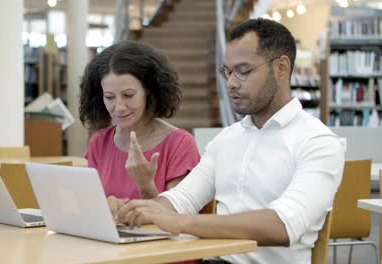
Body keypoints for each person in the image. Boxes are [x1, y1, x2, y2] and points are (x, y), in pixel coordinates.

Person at [116, 18, 345, 264]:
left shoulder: (319, 142)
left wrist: (180, 222)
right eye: (227, 72)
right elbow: (181, 199)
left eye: (244, 71)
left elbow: (284, 225)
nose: (232, 83)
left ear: (281, 68)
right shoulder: (226, 139)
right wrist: (133, 211)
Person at [79, 41, 201, 200]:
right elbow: (92, 204)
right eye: (109, 97)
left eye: (128, 95)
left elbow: (178, 217)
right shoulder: (99, 142)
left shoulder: (180, 144)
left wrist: (145, 185)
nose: (119, 107)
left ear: (148, 91)